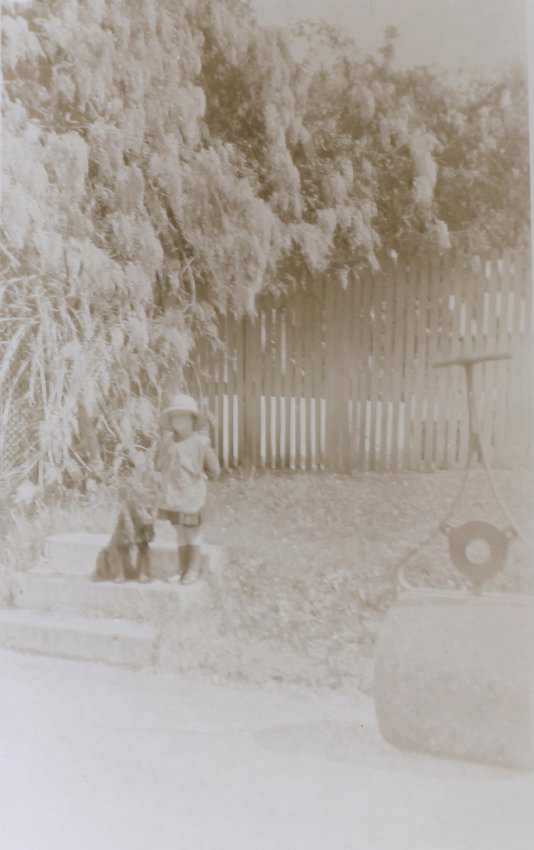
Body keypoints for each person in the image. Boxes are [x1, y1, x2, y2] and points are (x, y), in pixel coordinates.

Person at [155, 393, 220, 584]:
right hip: (173, 496)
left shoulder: (201, 444)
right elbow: (158, 465)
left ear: (193, 419)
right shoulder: (168, 444)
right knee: (180, 533)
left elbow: (214, 470)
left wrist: (205, 475)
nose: (179, 421)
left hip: (193, 497)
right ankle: (182, 569)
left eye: (183, 416)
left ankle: (193, 570)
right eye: (175, 417)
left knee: (192, 532)